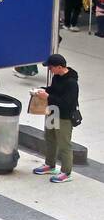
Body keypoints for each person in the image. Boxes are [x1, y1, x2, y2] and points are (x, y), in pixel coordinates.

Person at [32, 54, 79, 183]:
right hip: (52, 111)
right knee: (50, 138)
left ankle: (66, 172)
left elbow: (66, 103)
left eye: (51, 67)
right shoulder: (57, 77)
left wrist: (47, 96)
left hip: (64, 116)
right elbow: (53, 90)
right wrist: (42, 90)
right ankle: (50, 164)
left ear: (59, 67)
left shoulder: (71, 83)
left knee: (64, 144)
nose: (49, 70)